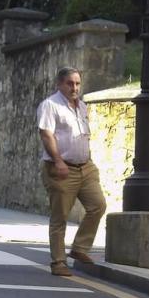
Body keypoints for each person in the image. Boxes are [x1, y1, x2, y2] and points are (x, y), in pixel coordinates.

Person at [37, 67, 107, 276]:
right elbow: (46, 134)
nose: (74, 88)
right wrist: (58, 161)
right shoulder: (50, 105)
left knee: (98, 205)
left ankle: (79, 248)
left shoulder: (82, 106)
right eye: (69, 83)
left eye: (77, 83)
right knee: (60, 217)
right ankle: (58, 262)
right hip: (61, 167)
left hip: (85, 167)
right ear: (60, 84)